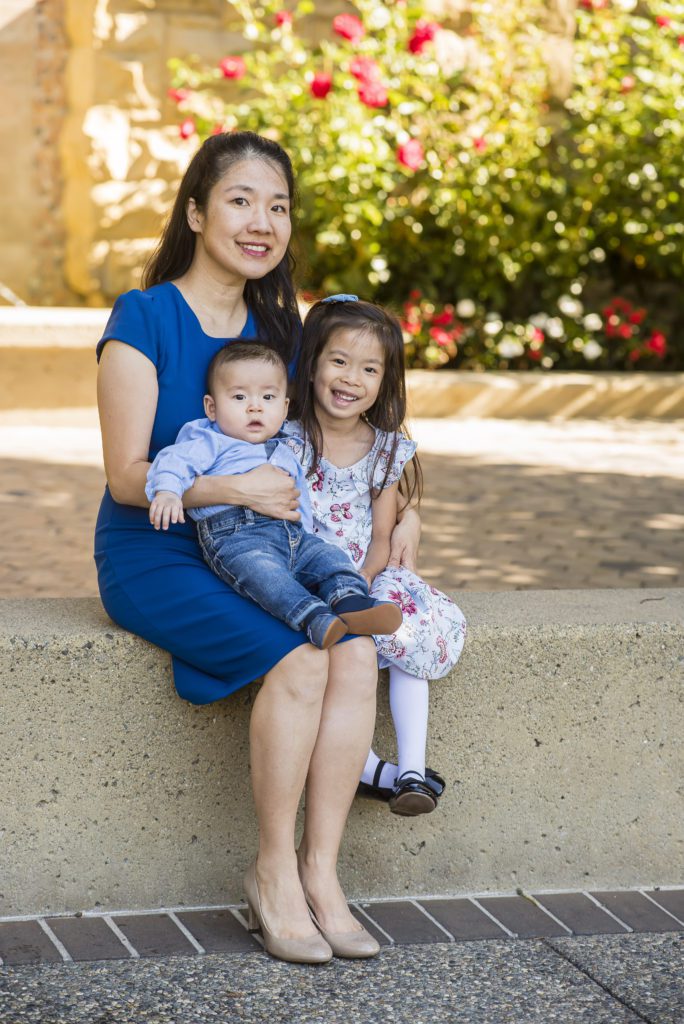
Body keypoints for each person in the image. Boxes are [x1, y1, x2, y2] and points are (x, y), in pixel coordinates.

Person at [95, 131, 420, 963]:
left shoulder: (284, 323)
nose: (261, 221)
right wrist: (227, 489)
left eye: (277, 206)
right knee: (307, 657)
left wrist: (402, 508)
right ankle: (271, 874)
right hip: (158, 548)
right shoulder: (144, 317)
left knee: (355, 648)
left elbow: (354, 413)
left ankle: (322, 873)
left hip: (270, 547)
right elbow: (130, 477)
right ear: (197, 211)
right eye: (241, 200)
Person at [285, 295, 467, 816]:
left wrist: (360, 584)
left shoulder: (385, 450)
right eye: (338, 361)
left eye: (369, 368)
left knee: (402, 624)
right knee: (329, 651)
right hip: (303, 578)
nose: (351, 379)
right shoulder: (286, 441)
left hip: (364, 574)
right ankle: (366, 767)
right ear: (313, 362)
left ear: (384, 381)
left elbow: (383, 537)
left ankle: (411, 768)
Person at [145, 340, 402, 649]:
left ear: (283, 408)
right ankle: (312, 616)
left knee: (330, 557)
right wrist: (169, 491)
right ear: (211, 407)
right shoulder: (209, 438)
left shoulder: (284, 447)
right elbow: (174, 460)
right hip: (236, 537)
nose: (255, 406)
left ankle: (349, 599)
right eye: (239, 397)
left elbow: (298, 498)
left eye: (268, 397)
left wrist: (305, 535)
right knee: (266, 577)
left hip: (291, 535)